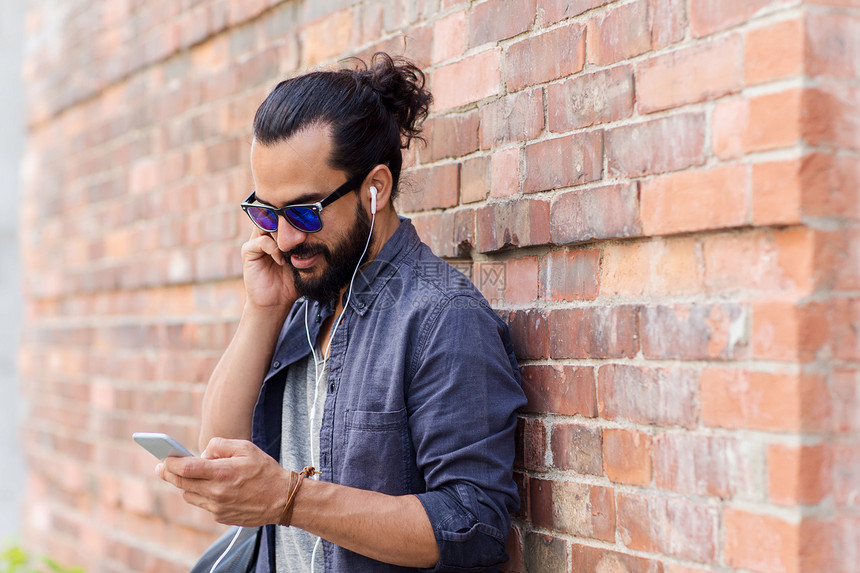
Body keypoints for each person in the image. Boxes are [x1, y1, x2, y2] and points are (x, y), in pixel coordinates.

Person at [157, 53, 526, 572]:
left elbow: (473, 525)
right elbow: (220, 450)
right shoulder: (304, 295)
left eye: (305, 211)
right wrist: (262, 312)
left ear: (375, 188)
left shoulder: (442, 318)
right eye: (267, 212)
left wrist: (291, 500)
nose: (284, 239)